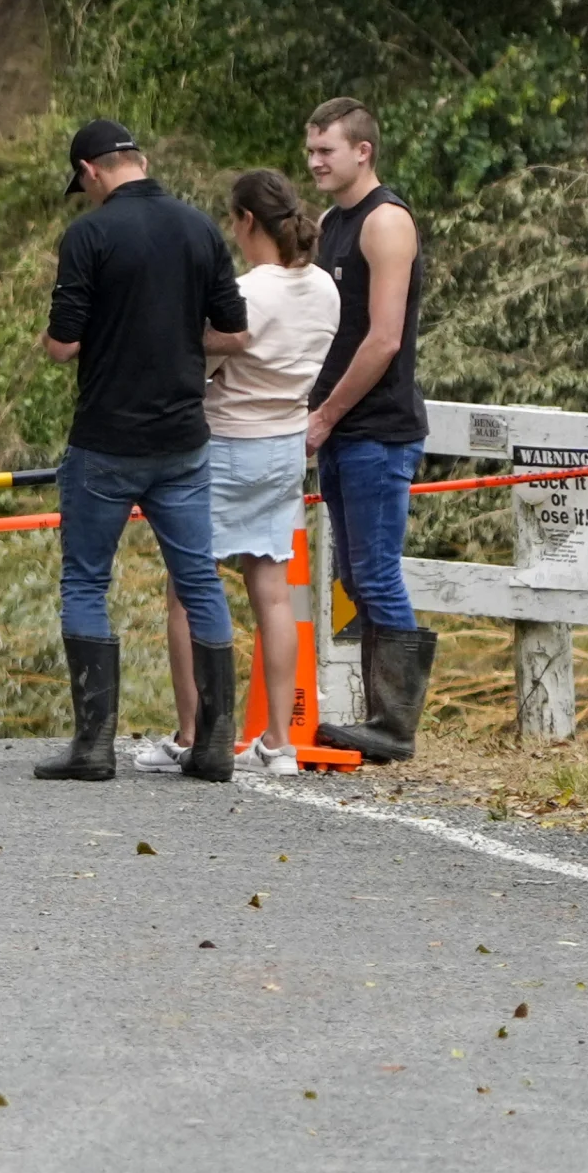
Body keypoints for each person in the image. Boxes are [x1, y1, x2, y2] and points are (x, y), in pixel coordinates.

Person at [35, 118, 248, 782]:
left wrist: (103, 335)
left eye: (84, 184)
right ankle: (214, 748)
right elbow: (234, 334)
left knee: (86, 579)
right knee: (199, 580)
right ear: (141, 160)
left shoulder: (89, 235)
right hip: (183, 441)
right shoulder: (200, 229)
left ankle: (93, 748)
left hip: (106, 441)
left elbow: (64, 344)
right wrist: (177, 338)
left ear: (90, 171)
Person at [172, 169, 339, 775]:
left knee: (187, 592)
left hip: (225, 444)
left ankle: (192, 733)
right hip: (286, 442)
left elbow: (201, 359)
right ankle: (279, 741)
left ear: (246, 221)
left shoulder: (247, 293)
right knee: (272, 591)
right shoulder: (324, 288)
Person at [301, 97, 434, 763]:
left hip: (378, 426)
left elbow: (383, 339)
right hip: (338, 426)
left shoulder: (386, 223)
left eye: (326, 150)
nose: (315, 162)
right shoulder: (330, 223)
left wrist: (324, 415)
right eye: (311, 151)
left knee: (375, 575)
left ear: (363, 151)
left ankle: (395, 723)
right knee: (352, 575)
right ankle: (380, 711)